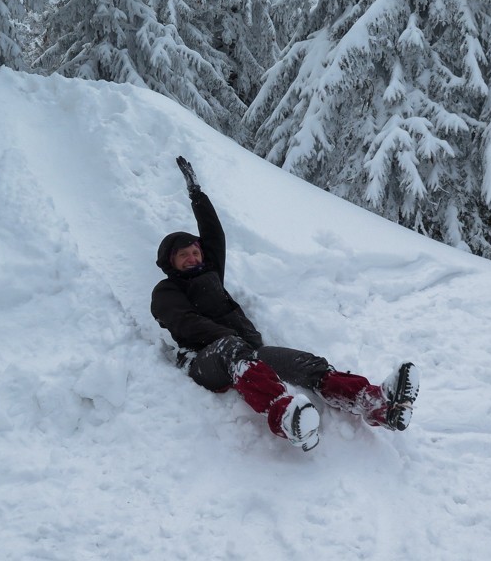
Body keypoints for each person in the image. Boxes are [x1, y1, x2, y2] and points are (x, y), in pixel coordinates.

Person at [151, 156, 419, 451]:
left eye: (194, 252)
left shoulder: (212, 271)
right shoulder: (166, 290)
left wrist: (197, 195)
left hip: (246, 350)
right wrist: (229, 339)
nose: (192, 257)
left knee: (308, 364)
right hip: (203, 360)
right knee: (232, 350)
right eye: (183, 255)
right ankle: (283, 415)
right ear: (171, 263)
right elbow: (186, 323)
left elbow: (215, 234)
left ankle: (374, 403)